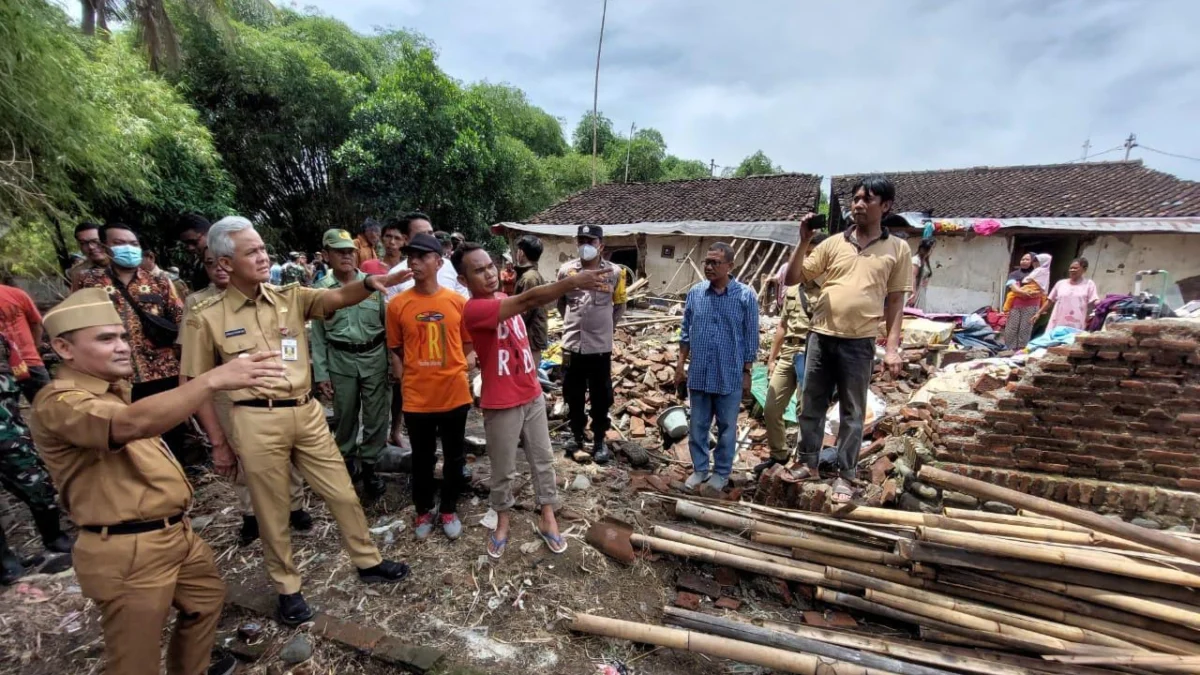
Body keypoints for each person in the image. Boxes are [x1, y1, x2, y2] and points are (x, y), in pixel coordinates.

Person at [31, 288, 281, 675]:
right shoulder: (60, 402)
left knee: (206, 602)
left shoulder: (113, 393)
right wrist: (212, 380)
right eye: (105, 339)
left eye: (121, 337)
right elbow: (131, 425)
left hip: (175, 536)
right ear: (64, 348)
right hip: (128, 549)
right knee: (136, 661)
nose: (121, 348)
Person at [181, 216, 413, 625]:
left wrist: (367, 285)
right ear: (224, 262)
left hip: (306, 413)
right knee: (272, 511)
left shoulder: (289, 296)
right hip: (254, 419)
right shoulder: (206, 315)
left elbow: (333, 301)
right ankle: (287, 587)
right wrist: (219, 441)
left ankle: (367, 560)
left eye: (262, 248)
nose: (262, 255)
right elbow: (196, 384)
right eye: (250, 251)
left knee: (341, 492)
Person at [454, 242, 607, 559]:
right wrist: (571, 282)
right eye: (478, 270)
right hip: (501, 403)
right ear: (463, 279)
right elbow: (529, 298)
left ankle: (547, 515)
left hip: (532, 394)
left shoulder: (500, 297)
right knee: (503, 468)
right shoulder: (474, 309)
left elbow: (529, 314)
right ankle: (503, 519)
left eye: (490, 266)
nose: (489, 273)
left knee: (543, 460)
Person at [783, 176, 912, 504]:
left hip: (859, 342)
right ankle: (807, 462)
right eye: (855, 198)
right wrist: (803, 241)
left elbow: (895, 302)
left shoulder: (897, 249)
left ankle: (846, 474)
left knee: (853, 412)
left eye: (866, 199)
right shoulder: (832, 244)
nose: (857, 204)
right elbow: (794, 277)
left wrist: (892, 348)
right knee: (810, 404)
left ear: (885, 206)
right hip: (821, 335)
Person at [180, 247, 312, 547]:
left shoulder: (273, 296)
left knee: (289, 450)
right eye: (212, 264)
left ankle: (295, 506)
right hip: (231, 394)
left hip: (276, 385)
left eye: (224, 264)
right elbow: (192, 365)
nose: (220, 270)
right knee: (241, 455)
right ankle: (251, 512)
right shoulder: (199, 305)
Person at [75, 224, 197, 468]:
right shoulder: (89, 283)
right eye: (120, 243)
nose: (128, 249)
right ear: (104, 246)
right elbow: (79, 327)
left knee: (171, 428)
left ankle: (178, 474)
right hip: (118, 376)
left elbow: (181, 321)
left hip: (162, 370)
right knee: (132, 432)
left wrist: (185, 361)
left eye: (134, 244)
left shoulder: (159, 281)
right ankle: (147, 474)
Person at [387, 233, 475, 540]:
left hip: (453, 394)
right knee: (422, 459)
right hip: (417, 398)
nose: (414, 261)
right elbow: (396, 348)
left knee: (454, 456)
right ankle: (423, 510)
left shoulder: (457, 302)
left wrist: (451, 367)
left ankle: (448, 507)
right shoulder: (398, 304)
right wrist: (413, 371)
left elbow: (467, 344)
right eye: (410, 256)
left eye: (422, 256)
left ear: (439, 262)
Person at [674, 243, 760, 495]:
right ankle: (700, 469)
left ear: (730, 266)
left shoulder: (745, 296)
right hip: (700, 373)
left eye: (715, 263)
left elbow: (751, 338)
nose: (709, 267)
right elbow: (685, 332)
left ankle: (721, 473)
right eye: (707, 262)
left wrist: (747, 373)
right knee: (698, 426)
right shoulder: (696, 293)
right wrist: (680, 365)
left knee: (726, 428)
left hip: (729, 374)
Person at [311, 229, 390, 501]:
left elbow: (387, 326)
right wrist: (321, 374)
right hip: (340, 361)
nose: (346, 256)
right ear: (326, 255)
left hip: (375, 358)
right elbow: (318, 337)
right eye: (339, 251)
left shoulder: (373, 284)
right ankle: (346, 462)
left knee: (376, 416)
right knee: (344, 416)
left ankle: (370, 466)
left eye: (349, 251)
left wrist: (392, 363)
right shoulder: (320, 290)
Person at [0, 329, 72, 584]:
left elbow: (21, 375)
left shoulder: (3, 339)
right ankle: (5, 561)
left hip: (9, 434)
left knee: (38, 484)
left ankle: (54, 537)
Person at [758, 233, 828, 477]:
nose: (808, 261)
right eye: (806, 255)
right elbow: (782, 325)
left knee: (806, 410)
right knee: (771, 408)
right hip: (789, 352)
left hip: (813, 354)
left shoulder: (830, 290)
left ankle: (805, 460)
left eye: (813, 256)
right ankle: (779, 454)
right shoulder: (792, 289)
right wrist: (772, 358)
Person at [556, 225, 627, 463]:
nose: (585, 244)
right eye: (581, 240)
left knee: (601, 396)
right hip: (572, 346)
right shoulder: (566, 271)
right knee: (572, 394)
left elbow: (619, 305)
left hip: (600, 348)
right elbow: (561, 303)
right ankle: (576, 435)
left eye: (591, 240)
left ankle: (598, 441)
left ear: (601, 245)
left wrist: (606, 327)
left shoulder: (616, 273)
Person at [385, 212, 469, 300]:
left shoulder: (451, 267)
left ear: (439, 263)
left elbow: (464, 306)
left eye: (430, 233)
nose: (429, 238)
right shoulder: (395, 276)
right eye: (422, 234)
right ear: (406, 239)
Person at [379, 218, 409, 446]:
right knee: (378, 386)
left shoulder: (410, 269)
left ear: (405, 241)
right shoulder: (372, 268)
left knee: (400, 385)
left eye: (397, 238)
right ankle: (377, 430)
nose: (392, 242)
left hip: (402, 336)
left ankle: (396, 430)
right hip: (375, 334)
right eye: (388, 237)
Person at [0, 280, 51, 401]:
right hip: (4, 366)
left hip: (29, 360)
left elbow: (36, 323)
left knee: (48, 405)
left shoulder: (16, 294)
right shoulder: (17, 293)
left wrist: (35, 348)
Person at [1002, 253, 1051, 350]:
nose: (1024, 261)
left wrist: (1034, 293)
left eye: (1027, 259)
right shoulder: (1014, 274)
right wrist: (1021, 292)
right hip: (1015, 305)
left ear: (1033, 261)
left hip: (1032, 306)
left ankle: (1021, 350)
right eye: (1022, 259)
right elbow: (1012, 286)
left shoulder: (1039, 273)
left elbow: (1043, 289)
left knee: (1025, 329)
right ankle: (1008, 350)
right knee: (1011, 328)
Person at [513, 235, 549, 366]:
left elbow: (525, 309)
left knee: (529, 373)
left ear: (521, 253)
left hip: (531, 334)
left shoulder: (529, 278)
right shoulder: (530, 275)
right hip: (532, 333)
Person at [1038, 257, 1099, 332]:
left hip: (1076, 325)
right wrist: (1038, 313)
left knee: (1070, 343)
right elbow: (1050, 300)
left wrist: (1105, 304)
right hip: (1057, 323)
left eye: (1075, 268)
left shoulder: (1089, 284)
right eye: (1071, 268)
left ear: (1084, 269)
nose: (1072, 270)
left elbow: (1094, 300)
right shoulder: (1060, 283)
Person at [176, 214, 213, 292]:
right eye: (186, 244)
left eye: (194, 242)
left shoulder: (228, 262)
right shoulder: (197, 263)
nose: (190, 248)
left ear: (209, 234)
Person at [68, 221, 109, 291]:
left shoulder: (124, 264)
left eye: (95, 241)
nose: (91, 247)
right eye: (83, 243)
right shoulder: (78, 272)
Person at [908, 237, 935, 310]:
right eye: (931, 248)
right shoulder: (916, 260)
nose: (932, 251)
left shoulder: (925, 261)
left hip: (922, 291)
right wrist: (913, 293)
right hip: (916, 291)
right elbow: (912, 277)